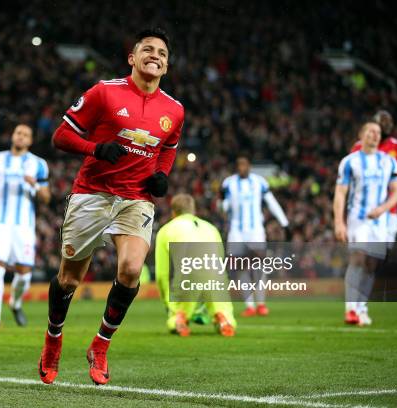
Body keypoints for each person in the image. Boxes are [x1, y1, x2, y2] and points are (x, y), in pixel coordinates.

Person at [38, 28, 184, 385]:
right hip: (93, 192)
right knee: (70, 278)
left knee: (132, 269)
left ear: (166, 65)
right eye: (147, 49)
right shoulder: (105, 92)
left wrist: (161, 175)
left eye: (162, 53)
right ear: (132, 58)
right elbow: (61, 136)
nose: (156, 55)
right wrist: (95, 149)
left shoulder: (175, 110)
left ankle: (100, 345)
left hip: (136, 199)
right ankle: (53, 338)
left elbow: (167, 148)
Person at [0, 124, 51, 328]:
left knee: (24, 273)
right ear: (12, 136)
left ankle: (16, 303)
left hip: (24, 225)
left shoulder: (38, 164)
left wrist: (34, 184)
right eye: (18, 133)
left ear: (30, 141)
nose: (21, 137)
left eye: (26, 135)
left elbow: (46, 197)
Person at [334, 121, 397, 326]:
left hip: (380, 222)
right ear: (361, 135)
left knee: (371, 265)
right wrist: (339, 222)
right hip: (357, 219)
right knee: (358, 259)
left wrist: (383, 208)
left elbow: (396, 191)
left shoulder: (389, 162)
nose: (375, 135)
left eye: (378, 132)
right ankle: (350, 309)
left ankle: (361, 308)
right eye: (371, 131)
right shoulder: (349, 162)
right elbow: (340, 193)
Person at [155, 193, 236, 337]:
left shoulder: (165, 230)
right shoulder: (211, 228)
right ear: (194, 211)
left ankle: (180, 317)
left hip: (187, 275)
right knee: (219, 300)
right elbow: (220, 265)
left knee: (180, 303)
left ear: (173, 212)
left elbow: (162, 274)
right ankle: (223, 318)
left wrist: (169, 305)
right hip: (214, 276)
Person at [221, 156, 289, 317]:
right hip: (236, 230)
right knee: (241, 268)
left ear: (249, 166)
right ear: (236, 167)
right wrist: (224, 206)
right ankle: (249, 305)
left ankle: (261, 304)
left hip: (256, 230)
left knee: (258, 266)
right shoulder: (228, 183)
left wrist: (284, 222)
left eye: (244, 164)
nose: (242, 168)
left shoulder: (259, 182)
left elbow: (271, 202)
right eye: (239, 165)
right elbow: (223, 204)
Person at [350, 110, 397, 243]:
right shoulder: (359, 147)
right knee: (359, 255)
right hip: (362, 210)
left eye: (386, 125)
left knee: (382, 256)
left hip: (388, 211)